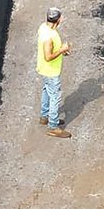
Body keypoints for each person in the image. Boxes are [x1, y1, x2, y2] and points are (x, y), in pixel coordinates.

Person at [37, 8, 71, 138]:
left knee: (47, 91)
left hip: (44, 69)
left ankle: (44, 116)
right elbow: (48, 56)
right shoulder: (49, 37)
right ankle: (53, 126)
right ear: (58, 20)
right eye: (61, 17)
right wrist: (62, 49)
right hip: (51, 71)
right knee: (55, 97)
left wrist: (62, 50)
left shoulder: (44, 28)